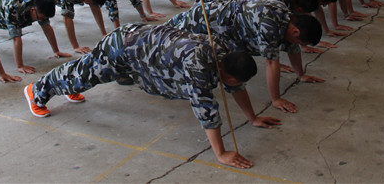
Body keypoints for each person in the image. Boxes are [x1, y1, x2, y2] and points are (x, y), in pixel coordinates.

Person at [23, 23, 279, 169]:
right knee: (83, 75)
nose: (236, 87)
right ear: (230, 76)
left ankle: (69, 85)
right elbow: (206, 110)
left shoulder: (225, 54)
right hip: (123, 47)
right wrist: (221, 154)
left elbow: (235, 87)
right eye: (236, 83)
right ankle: (37, 91)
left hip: (140, 47)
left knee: (84, 74)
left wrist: (253, 117)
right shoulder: (200, 64)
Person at [165, 0, 324, 113]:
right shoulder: (270, 24)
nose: (298, 44)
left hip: (227, 27)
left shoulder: (287, 18)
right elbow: (271, 62)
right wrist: (276, 99)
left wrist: (301, 75)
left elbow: (292, 46)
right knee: (169, 42)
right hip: (204, 19)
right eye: (302, 41)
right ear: (296, 32)